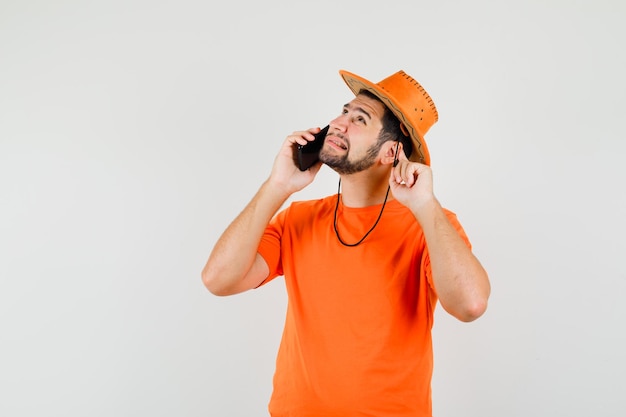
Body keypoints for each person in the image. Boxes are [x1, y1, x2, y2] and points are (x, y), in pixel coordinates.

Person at [202, 69, 491, 417]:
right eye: (343, 111)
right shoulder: (298, 219)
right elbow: (217, 279)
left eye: (359, 119)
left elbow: (470, 305)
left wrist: (426, 205)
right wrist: (277, 185)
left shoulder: (430, 226)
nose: (338, 123)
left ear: (391, 153)